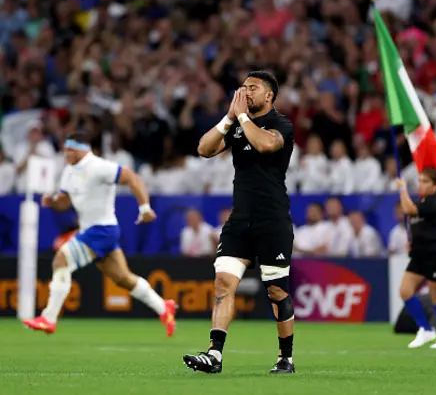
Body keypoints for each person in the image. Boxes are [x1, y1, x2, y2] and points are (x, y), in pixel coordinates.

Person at [183, 71, 296, 374]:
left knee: (277, 292)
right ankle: (214, 354)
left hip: (272, 220)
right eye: (244, 87)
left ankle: (286, 357)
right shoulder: (236, 124)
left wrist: (243, 119)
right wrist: (228, 118)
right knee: (223, 284)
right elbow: (204, 149)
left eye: (253, 88)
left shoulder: (281, 124)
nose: (246, 92)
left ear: (269, 96)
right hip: (240, 220)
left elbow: (266, 145)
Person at [23, 132, 177, 336]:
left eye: (71, 148)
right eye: (65, 148)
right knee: (123, 278)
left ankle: (48, 318)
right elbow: (65, 201)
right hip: (93, 231)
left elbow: (132, 176)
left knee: (61, 259)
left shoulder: (98, 166)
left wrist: (145, 208)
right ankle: (163, 307)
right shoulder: (68, 172)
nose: (66, 152)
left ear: (83, 148)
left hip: (102, 230)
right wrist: (53, 202)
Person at [396, 168, 436, 349]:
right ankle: (426, 329)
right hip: (420, 253)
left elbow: (408, 209)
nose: (419, 184)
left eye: (425, 181)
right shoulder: (423, 202)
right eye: (420, 180)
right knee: (405, 291)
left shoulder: (435, 203)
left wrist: (402, 190)